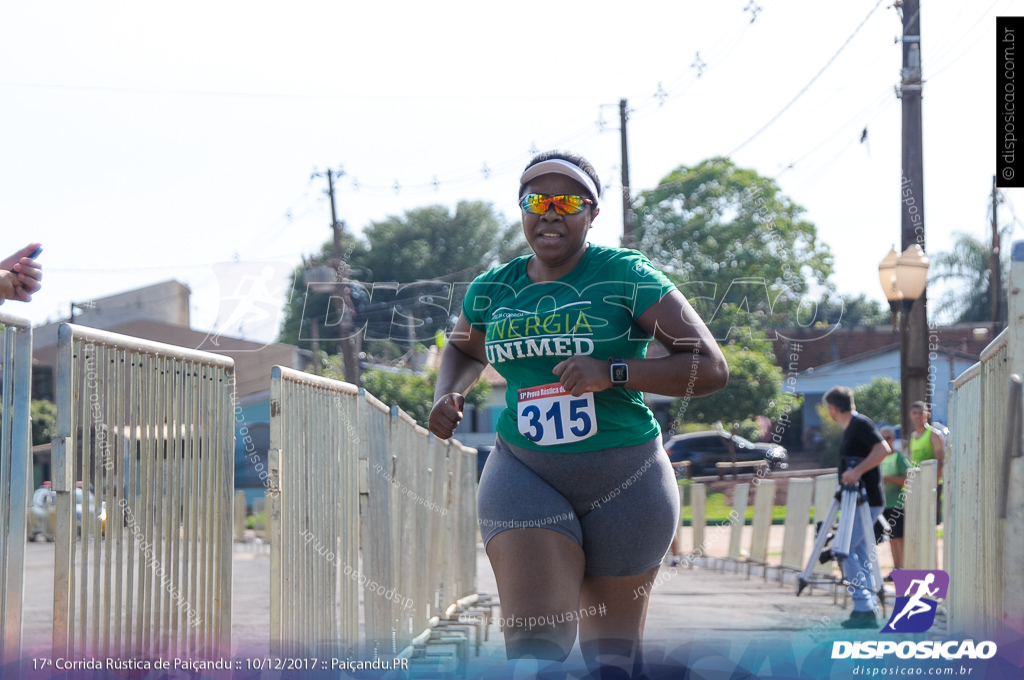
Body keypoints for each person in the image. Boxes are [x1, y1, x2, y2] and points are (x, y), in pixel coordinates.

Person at [427, 151, 728, 678]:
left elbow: (709, 367)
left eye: (566, 201)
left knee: (612, 658)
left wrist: (612, 371)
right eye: (536, 201)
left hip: (627, 476)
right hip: (526, 470)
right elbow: (463, 348)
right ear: (522, 210)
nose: (549, 212)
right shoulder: (495, 287)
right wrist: (446, 393)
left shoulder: (625, 274)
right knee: (535, 644)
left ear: (591, 213)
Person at [822, 386, 891, 629]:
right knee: (859, 552)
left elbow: (883, 449)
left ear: (832, 408)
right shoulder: (853, 426)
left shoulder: (860, 424)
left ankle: (864, 607)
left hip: (866, 500)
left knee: (845, 551)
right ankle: (867, 605)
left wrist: (857, 472)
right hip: (860, 501)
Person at [876, 426, 911, 580]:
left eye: (888, 438)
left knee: (899, 538)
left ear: (893, 439)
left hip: (897, 504)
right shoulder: (879, 459)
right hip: (884, 504)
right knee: (891, 538)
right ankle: (895, 568)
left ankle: (901, 567)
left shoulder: (898, 458)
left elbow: (908, 479)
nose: (886, 441)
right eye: (883, 438)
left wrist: (889, 479)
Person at [908, 401, 945, 523]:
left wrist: (934, 483)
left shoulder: (934, 435)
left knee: (932, 520)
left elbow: (940, 460)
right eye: (915, 413)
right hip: (917, 484)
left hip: (931, 483)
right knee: (919, 520)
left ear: (927, 415)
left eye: (920, 413)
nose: (917, 416)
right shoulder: (913, 437)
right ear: (910, 415)